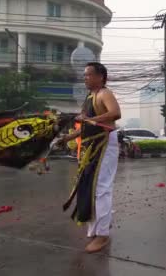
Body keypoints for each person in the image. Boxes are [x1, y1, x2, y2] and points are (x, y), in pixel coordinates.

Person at [60, 62, 121, 253]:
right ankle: (96, 230)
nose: (85, 78)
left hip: (104, 145)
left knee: (101, 189)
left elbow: (116, 113)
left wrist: (88, 119)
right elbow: (85, 125)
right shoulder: (89, 97)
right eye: (84, 75)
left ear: (100, 77)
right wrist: (67, 137)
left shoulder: (104, 94)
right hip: (91, 147)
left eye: (88, 75)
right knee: (89, 187)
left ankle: (102, 235)